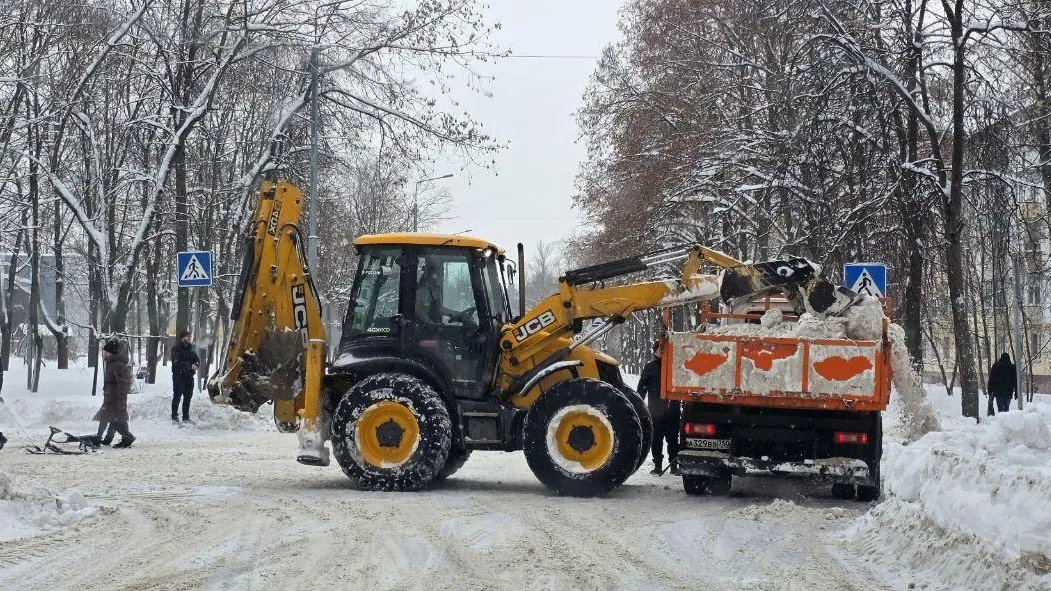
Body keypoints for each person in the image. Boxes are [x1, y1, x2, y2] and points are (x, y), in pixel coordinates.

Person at [638, 339, 679, 475]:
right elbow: (641, 388)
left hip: (672, 409)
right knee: (656, 440)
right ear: (655, 352)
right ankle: (657, 466)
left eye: (664, 351)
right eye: (659, 350)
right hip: (655, 411)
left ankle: (674, 466)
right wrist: (639, 405)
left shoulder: (674, 367)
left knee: (673, 439)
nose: (661, 353)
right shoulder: (649, 367)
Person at [94, 339, 135, 448]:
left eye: (106, 352)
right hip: (111, 396)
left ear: (111, 352)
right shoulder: (112, 363)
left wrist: (120, 399)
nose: (104, 354)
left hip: (115, 398)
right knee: (111, 418)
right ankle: (106, 438)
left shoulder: (117, 365)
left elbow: (123, 384)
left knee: (113, 418)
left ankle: (126, 437)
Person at [171, 330, 199, 423]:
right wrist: (190, 366)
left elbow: (197, 360)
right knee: (177, 396)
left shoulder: (192, 348)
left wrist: (196, 365)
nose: (189, 338)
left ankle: (186, 417)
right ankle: (174, 416)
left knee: (188, 398)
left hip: (189, 377)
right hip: (179, 376)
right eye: (188, 336)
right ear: (183, 338)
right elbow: (176, 362)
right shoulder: (176, 348)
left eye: (190, 336)